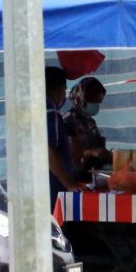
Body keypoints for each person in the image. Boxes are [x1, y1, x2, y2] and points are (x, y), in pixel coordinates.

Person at [46, 66, 84, 209]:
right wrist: (70, 184)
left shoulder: (33, 108)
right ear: (60, 89)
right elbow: (49, 152)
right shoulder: (51, 112)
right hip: (51, 188)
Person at [64, 76, 111, 175]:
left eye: (98, 102)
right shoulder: (68, 121)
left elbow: (99, 146)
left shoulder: (90, 122)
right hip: (76, 175)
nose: (96, 106)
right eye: (93, 102)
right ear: (81, 99)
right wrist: (91, 152)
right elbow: (67, 153)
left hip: (93, 172)